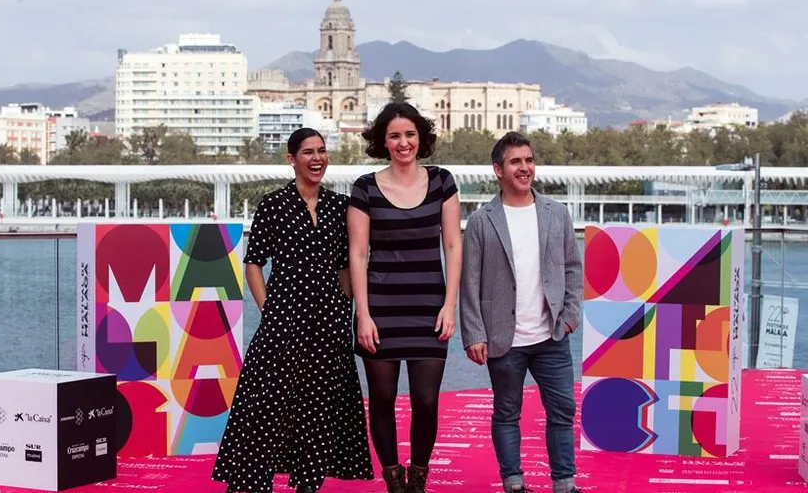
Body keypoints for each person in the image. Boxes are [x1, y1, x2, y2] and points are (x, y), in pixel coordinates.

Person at [212, 128, 373, 493]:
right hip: (283, 322)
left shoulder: (340, 207)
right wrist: (268, 309)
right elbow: (253, 264)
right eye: (308, 152)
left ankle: (308, 483)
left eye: (322, 151)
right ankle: (252, 483)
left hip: (329, 324)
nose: (317, 158)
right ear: (291, 159)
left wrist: (346, 307)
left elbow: (345, 265)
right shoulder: (273, 205)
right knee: (268, 406)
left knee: (318, 409)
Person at [347, 102, 462, 493]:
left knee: (426, 400)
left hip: (430, 310)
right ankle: (394, 479)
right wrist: (363, 315)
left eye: (409, 134)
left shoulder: (443, 181)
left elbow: (453, 244)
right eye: (394, 136)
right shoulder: (365, 187)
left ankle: (418, 478)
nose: (403, 143)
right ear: (383, 141)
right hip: (380, 310)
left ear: (420, 138)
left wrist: (450, 305)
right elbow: (358, 254)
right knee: (381, 398)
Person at [459, 131, 583, 493]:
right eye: (515, 161)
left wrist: (571, 315)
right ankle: (513, 483)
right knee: (506, 413)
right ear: (498, 170)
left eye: (529, 160)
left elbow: (573, 268)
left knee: (562, 411)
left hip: (552, 336)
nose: (525, 167)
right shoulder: (482, 221)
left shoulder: (556, 213)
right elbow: (470, 282)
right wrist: (474, 334)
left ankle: (564, 484)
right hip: (503, 338)